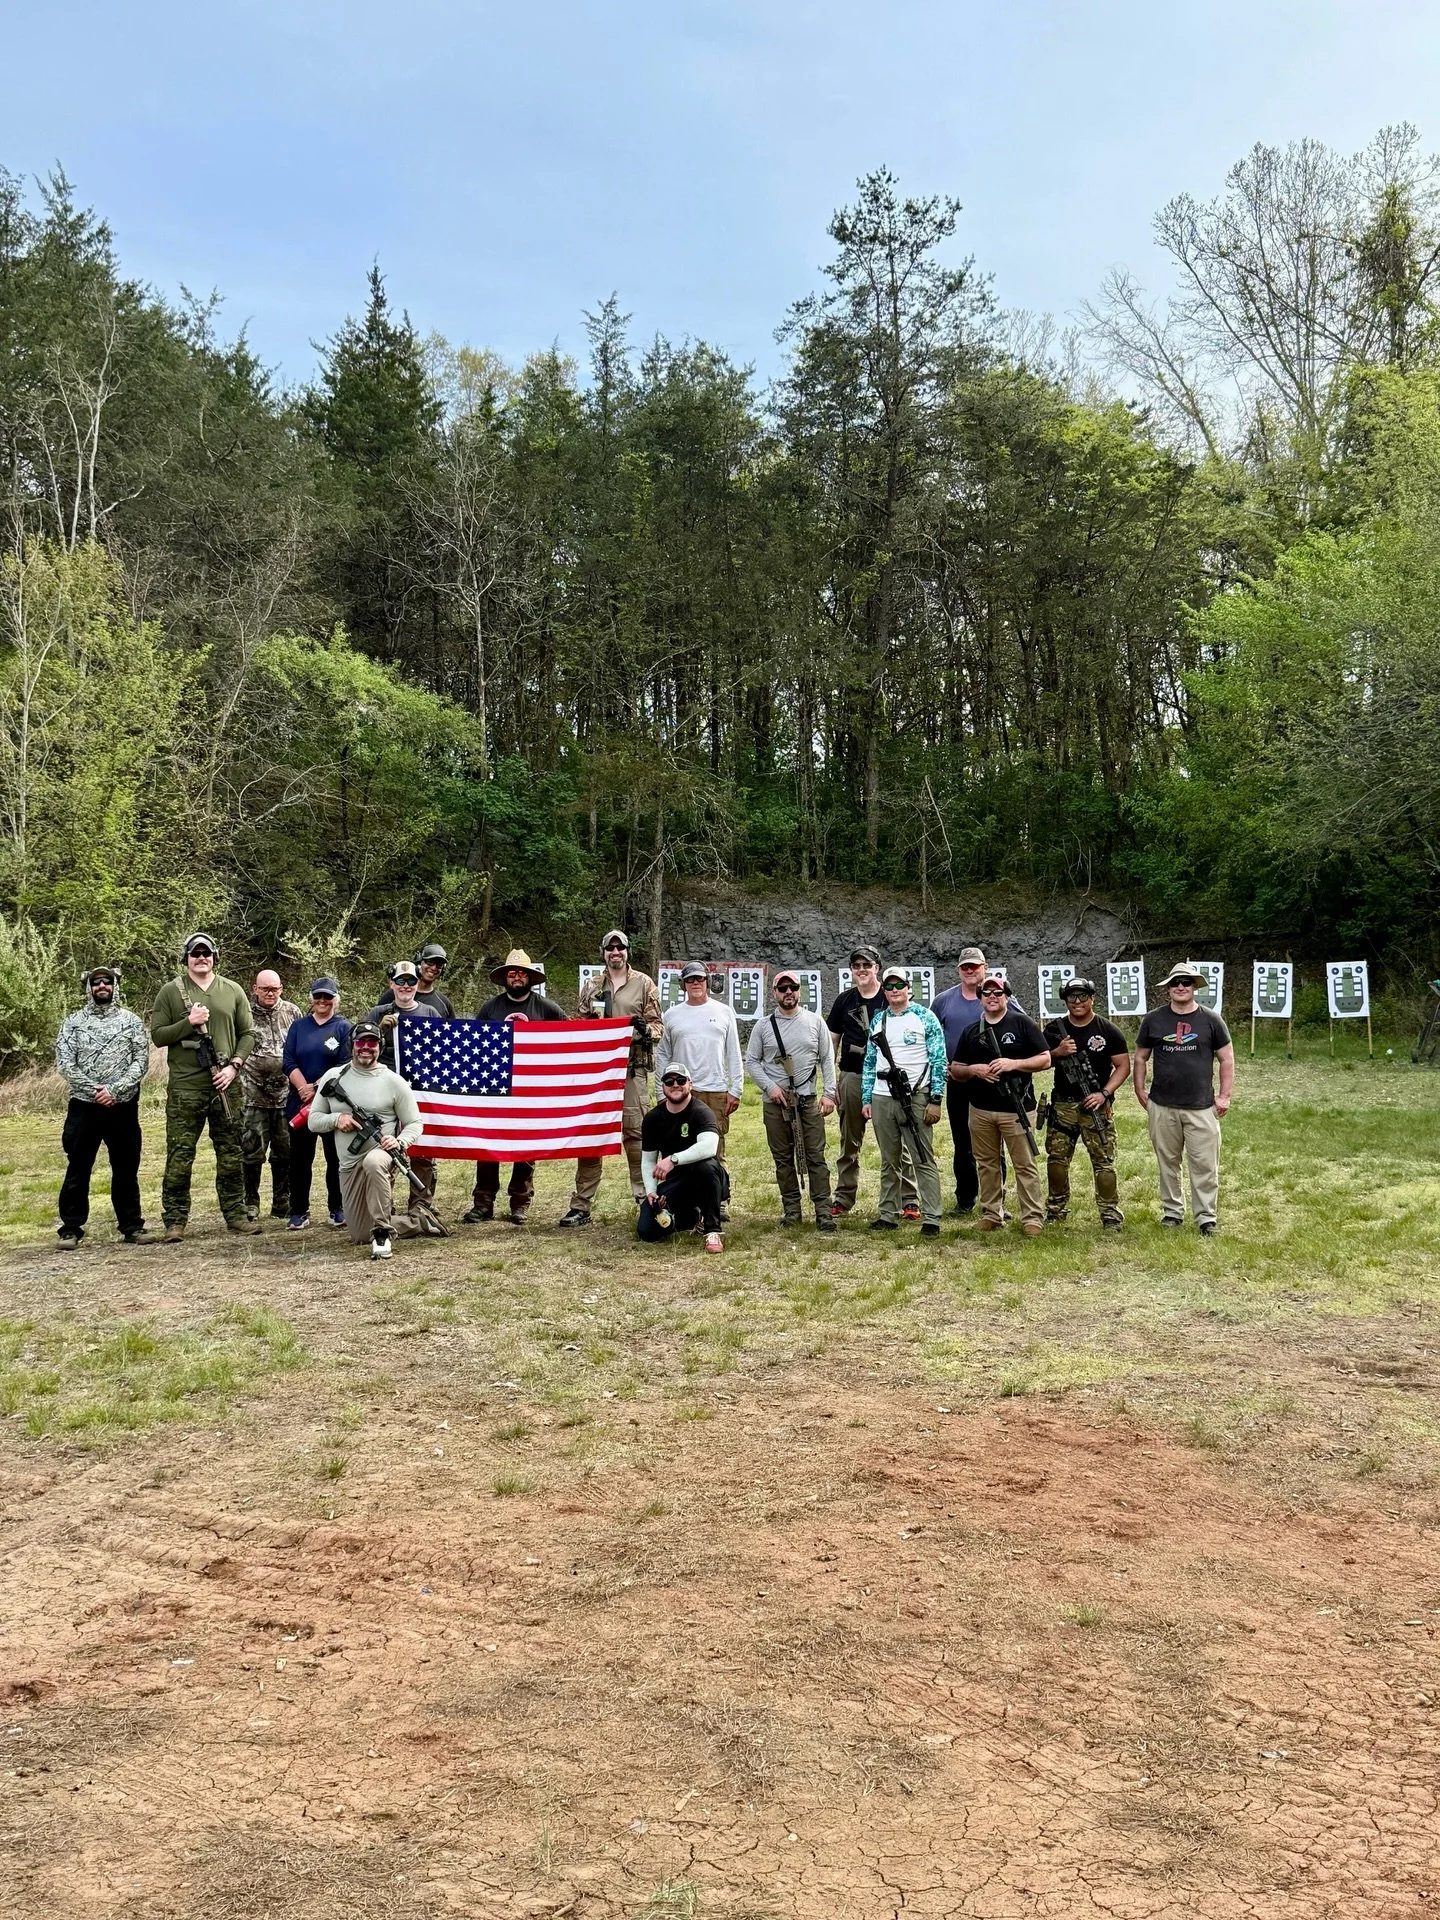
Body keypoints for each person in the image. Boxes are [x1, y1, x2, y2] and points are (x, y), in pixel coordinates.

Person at [149, 933, 257, 1241]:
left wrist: (234, 1066)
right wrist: (189, 1021)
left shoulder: (232, 990)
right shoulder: (171, 992)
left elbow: (248, 1033)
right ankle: (175, 1221)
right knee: (180, 1155)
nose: (201, 958)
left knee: (231, 1153)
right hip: (186, 1088)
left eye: (206, 953)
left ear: (215, 957)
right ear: (186, 957)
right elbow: (158, 1035)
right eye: (195, 953)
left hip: (227, 1086)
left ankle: (236, 1215)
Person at [558, 930, 663, 1227]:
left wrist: (644, 1030)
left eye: (620, 947)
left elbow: (659, 1027)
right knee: (592, 1136)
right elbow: (579, 1025)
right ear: (603, 952)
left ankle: (645, 1199)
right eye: (610, 948)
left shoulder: (644, 984)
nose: (615, 952)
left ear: (628, 951)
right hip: (598, 1074)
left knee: (636, 1136)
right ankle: (581, 1206)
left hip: (632, 1071)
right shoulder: (592, 985)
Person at [307, 1021, 425, 1260]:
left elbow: (415, 1123)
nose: (366, 1048)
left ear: (379, 1047)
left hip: (382, 1155)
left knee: (374, 1162)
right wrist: (337, 1119)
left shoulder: (393, 1081)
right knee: (360, 1234)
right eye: (361, 1042)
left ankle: (382, 1232)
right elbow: (313, 1120)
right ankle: (420, 1221)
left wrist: (399, 1141)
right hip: (349, 1164)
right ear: (353, 1045)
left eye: (372, 1043)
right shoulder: (334, 1076)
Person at [54, 966, 153, 1249]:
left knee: (125, 1167)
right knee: (78, 1166)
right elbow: (65, 1064)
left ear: (114, 986)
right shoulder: (73, 1022)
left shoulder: (131, 1022)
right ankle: (71, 1228)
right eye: (96, 983)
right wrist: (95, 1090)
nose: (101, 986)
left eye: (106, 982)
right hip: (84, 1105)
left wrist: (115, 1090)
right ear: (88, 988)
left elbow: (140, 1062)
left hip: (122, 1105)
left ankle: (132, 1225)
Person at [466, 949, 567, 1224]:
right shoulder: (490, 1008)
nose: (517, 976)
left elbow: (569, 1040)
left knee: (526, 1147)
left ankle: (520, 1203)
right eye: (512, 972)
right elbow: (474, 1046)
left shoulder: (547, 1008)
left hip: (530, 1089)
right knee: (488, 1145)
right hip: (495, 1087)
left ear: (531, 978)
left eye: (522, 972)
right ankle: (483, 1202)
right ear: (504, 978)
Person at [1134, 962, 1234, 1236]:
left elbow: (1226, 1059)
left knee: (1204, 1164)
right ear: (1168, 988)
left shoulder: (1211, 1020)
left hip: (1201, 1106)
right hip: (1162, 1105)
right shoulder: (1153, 1019)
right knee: (1168, 1162)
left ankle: (1206, 1217)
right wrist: (1139, 1089)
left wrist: (1224, 1096)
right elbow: (1141, 1057)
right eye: (1175, 982)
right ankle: (1172, 1212)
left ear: (1194, 987)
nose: (1180, 987)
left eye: (1186, 982)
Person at [950, 974, 1051, 1235]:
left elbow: (1045, 1059)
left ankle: (1032, 1217)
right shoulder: (972, 1031)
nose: (992, 997)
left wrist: (1013, 1064)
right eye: (987, 993)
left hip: (1016, 1109)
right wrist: (975, 1070)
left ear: (1006, 996)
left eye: (998, 992)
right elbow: (956, 1069)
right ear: (980, 998)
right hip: (980, 1109)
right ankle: (992, 1212)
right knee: (986, 1163)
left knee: (1024, 1164)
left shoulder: (1022, 1023)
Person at [826, 946, 919, 1220]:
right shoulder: (844, 1001)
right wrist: (832, 1086)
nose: (862, 970)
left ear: (877, 967)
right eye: (856, 966)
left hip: (885, 1081)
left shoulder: (889, 996)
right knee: (849, 1142)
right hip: (853, 1077)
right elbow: (832, 1042)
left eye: (867, 965)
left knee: (896, 1141)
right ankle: (843, 1197)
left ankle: (909, 1198)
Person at [745, 968, 838, 1231]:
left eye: (793, 988)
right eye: (783, 988)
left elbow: (827, 1058)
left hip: (807, 1100)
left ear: (799, 991)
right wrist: (770, 1087)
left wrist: (829, 1093)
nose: (789, 993)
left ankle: (823, 1211)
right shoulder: (763, 1026)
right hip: (776, 1103)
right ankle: (792, 1210)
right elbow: (752, 1061)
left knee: (816, 1156)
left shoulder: (815, 1022)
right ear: (774, 993)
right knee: (783, 1157)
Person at [860, 966, 947, 1235]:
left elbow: (939, 1059)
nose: (895, 990)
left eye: (899, 985)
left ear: (909, 987)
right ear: (884, 991)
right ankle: (888, 1213)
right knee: (889, 1159)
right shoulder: (878, 1021)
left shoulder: (925, 1017)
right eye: (889, 986)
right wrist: (867, 1098)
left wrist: (935, 1098)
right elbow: (870, 1061)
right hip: (883, 1096)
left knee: (923, 1157)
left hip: (916, 1096)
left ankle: (932, 1217)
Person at [1043, 977, 1130, 1231]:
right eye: (1072, 997)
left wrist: (1104, 1094)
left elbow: (1123, 1066)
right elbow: (1036, 1061)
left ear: (1092, 998)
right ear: (1065, 1000)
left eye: (1083, 996)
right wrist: (1057, 1052)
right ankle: (1056, 1210)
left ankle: (1110, 1214)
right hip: (1062, 1107)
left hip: (1096, 1106)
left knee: (1104, 1162)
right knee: (1057, 1161)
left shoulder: (1107, 1030)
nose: (1077, 1002)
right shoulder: (1052, 1030)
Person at [367, 961, 444, 1206]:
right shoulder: (378, 1012)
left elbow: (440, 1052)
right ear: (392, 984)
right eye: (400, 981)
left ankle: (421, 1205)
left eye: (411, 980)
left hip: (420, 1090)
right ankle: (383, 1206)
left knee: (422, 1149)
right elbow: (361, 1052)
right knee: (385, 1147)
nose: (406, 985)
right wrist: (378, 1032)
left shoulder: (430, 1013)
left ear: (417, 983)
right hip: (385, 1092)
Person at [654, 963, 743, 1169]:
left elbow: (734, 1052)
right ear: (683, 984)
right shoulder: (671, 1015)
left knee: (715, 1150)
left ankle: (718, 1198)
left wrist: (736, 1089)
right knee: (679, 1147)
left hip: (715, 1090)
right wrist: (661, 1092)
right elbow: (663, 1056)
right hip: (680, 1090)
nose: (695, 983)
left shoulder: (724, 1012)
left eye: (700, 978)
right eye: (690, 979)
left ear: (708, 982)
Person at [282, 977, 352, 1229]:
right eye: (318, 996)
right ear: (311, 998)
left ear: (336, 999)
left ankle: (338, 1209)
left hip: (332, 1103)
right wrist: (302, 1087)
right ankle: (299, 1210)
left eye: (328, 997)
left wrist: (316, 1089)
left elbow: (344, 1064)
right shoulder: (298, 1027)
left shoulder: (344, 1028)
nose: (323, 1001)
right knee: (300, 1159)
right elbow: (288, 1061)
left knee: (336, 1158)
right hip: (299, 1103)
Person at [637, 1066, 726, 1252]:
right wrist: (651, 1191)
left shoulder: (702, 1112)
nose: (675, 1085)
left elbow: (709, 1146)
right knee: (646, 1231)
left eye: (681, 1080)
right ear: (663, 1087)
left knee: (707, 1166)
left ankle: (712, 1230)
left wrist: (673, 1159)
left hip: (706, 1179)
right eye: (669, 1081)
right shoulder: (653, 1118)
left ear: (690, 1084)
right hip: (677, 1183)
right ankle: (689, 1217)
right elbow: (648, 1160)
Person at [932, 946, 991, 1215]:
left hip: (991, 1081)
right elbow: (931, 1036)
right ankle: (965, 1198)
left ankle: (994, 1200)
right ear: (958, 970)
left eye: (974, 966)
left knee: (993, 1142)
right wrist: (940, 1065)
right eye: (965, 967)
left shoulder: (997, 996)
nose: (970, 971)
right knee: (962, 1143)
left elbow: (1019, 1027)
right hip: (957, 1080)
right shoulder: (944, 1000)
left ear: (985, 968)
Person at [240, 969, 301, 1222]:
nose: (269, 993)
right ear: (255, 989)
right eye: (265, 988)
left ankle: (281, 1201)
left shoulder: (293, 1012)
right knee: (251, 1152)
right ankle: (250, 1202)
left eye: (274, 989)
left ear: (281, 989)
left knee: (284, 1153)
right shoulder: (244, 1013)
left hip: (286, 1096)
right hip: (252, 1094)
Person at [374, 943, 455, 1017]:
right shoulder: (396, 993)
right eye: (430, 962)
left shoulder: (444, 1003)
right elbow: (373, 1025)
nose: (434, 968)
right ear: (419, 962)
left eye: (439, 965)